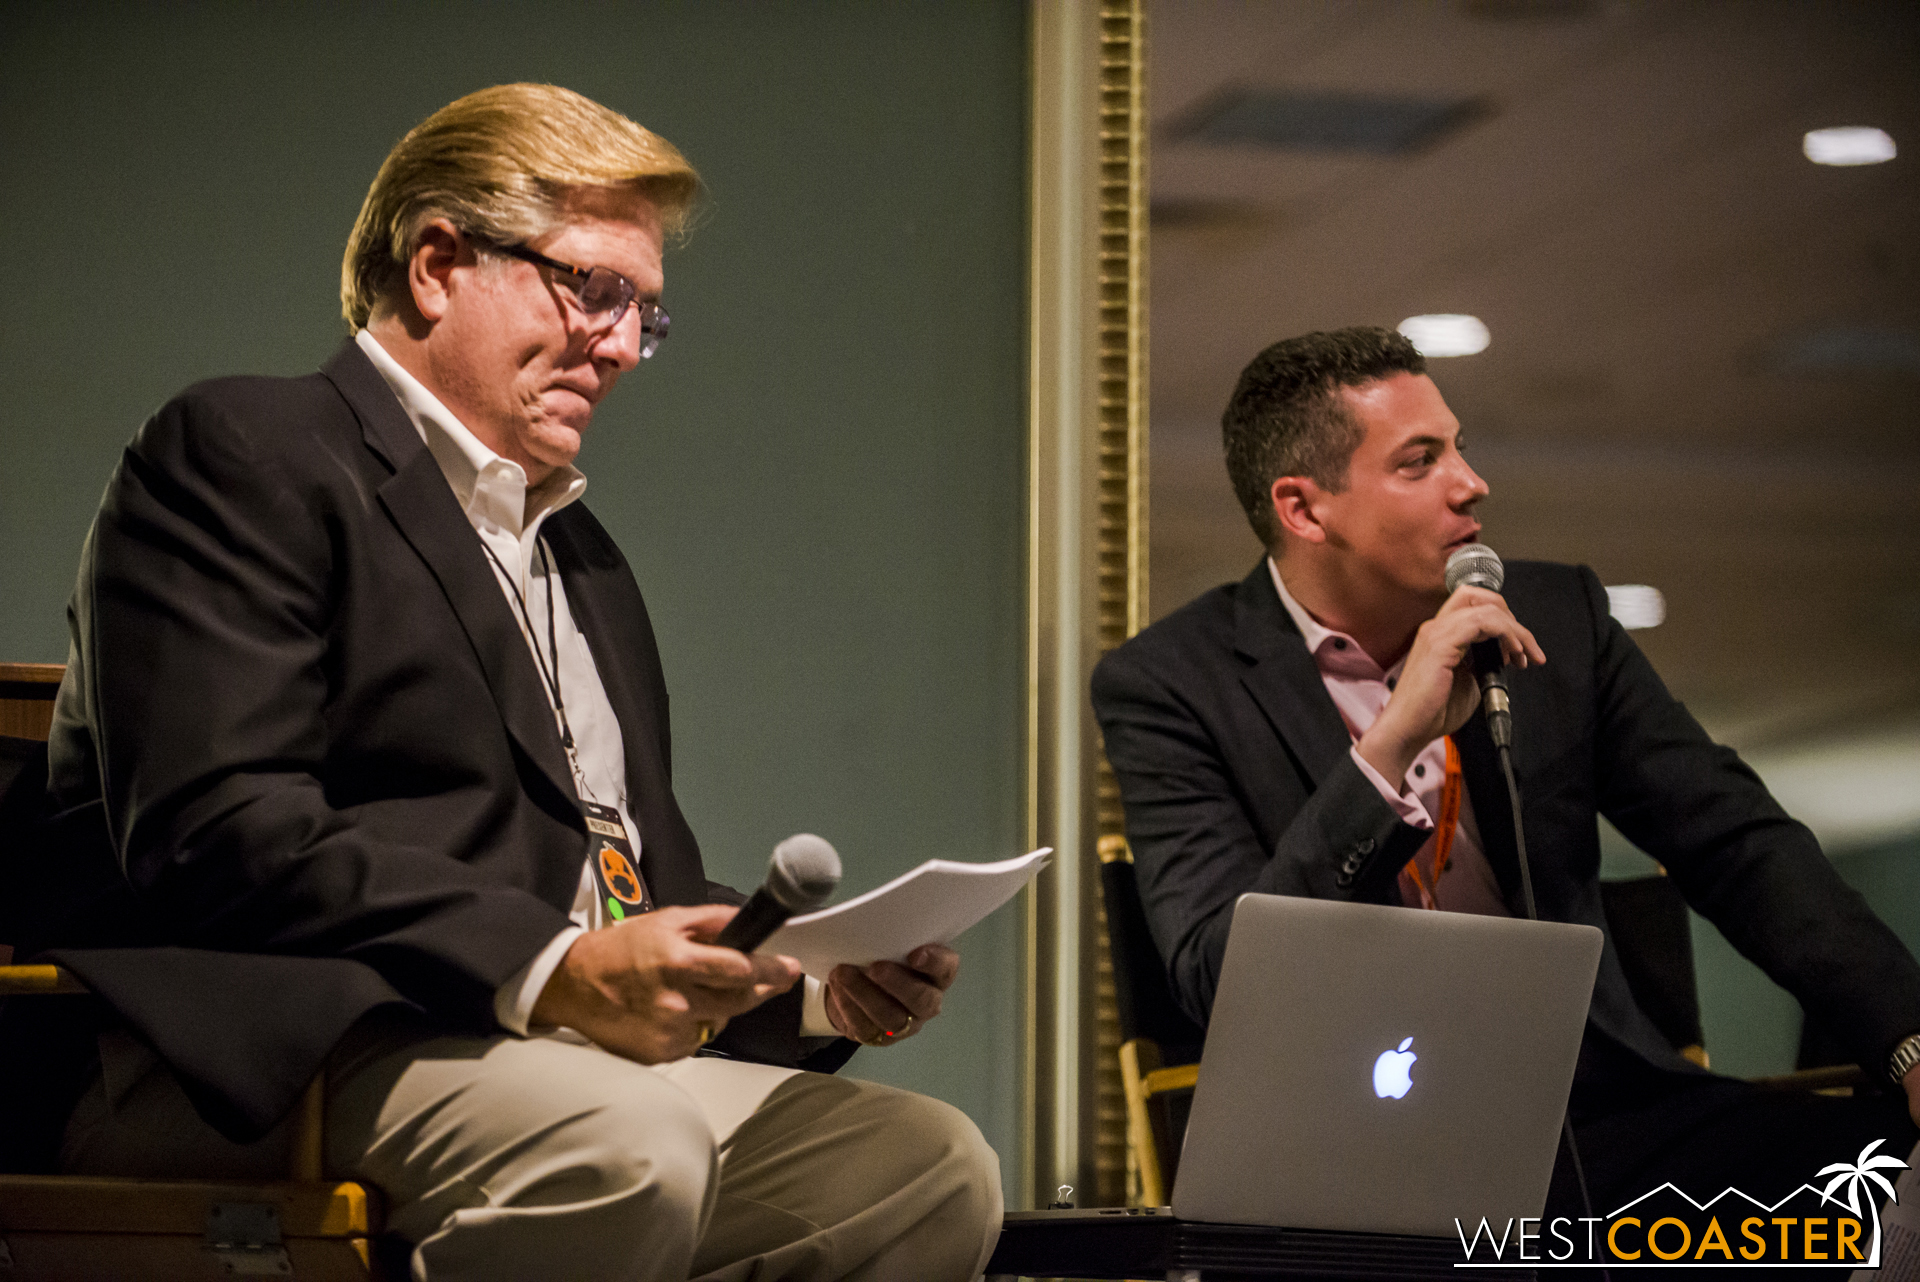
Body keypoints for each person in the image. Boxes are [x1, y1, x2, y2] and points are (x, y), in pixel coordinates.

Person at [13, 84, 1000, 1281]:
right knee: (628, 1146)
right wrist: (555, 971)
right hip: (271, 1056)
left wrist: (807, 986)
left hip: (531, 1054)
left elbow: (633, 887)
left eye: (647, 314)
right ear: (438, 264)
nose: (626, 346)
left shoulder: (580, 555)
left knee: (927, 1167)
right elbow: (218, 828)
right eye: (596, 290)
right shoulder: (247, 451)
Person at [1090, 325, 1920, 1220]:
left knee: (1887, 1177)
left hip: (1598, 1121)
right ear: (1304, 509)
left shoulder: (1557, 619)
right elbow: (1223, 976)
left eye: (1459, 447)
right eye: (1420, 461)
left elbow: (1734, 842)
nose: (1470, 481)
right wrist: (1389, 746)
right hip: (1353, 1154)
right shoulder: (1173, 683)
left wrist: (1908, 1040)